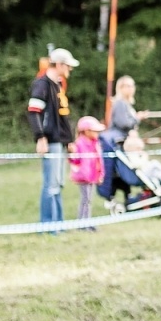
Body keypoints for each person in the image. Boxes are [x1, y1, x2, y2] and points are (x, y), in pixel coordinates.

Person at [27, 49, 77, 224]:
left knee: (58, 183)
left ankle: (59, 224)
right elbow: (34, 112)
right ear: (60, 65)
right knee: (51, 185)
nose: (70, 70)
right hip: (50, 141)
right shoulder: (42, 84)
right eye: (68, 66)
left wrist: (69, 140)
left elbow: (63, 116)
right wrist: (40, 137)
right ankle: (48, 225)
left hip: (60, 141)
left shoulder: (58, 85)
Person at [70, 116, 105, 222]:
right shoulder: (79, 143)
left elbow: (99, 161)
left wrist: (100, 174)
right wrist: (71, 153)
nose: (97, 134)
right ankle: (83, 222)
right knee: (86, 199)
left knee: (88, 199)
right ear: (86, 131)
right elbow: (75, 160)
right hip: (83, 177)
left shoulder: (95, 144)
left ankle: (86, 221)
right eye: (95, 131)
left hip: (92, 177)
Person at [104, 75, 139, 144]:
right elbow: (124, 124)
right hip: (119, 141)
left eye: (132, 86)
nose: (131, 89)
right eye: (128, 86)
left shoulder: (127, 104)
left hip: (126, 139)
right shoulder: (120, 103)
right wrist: (137, 118)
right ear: (120, 88)